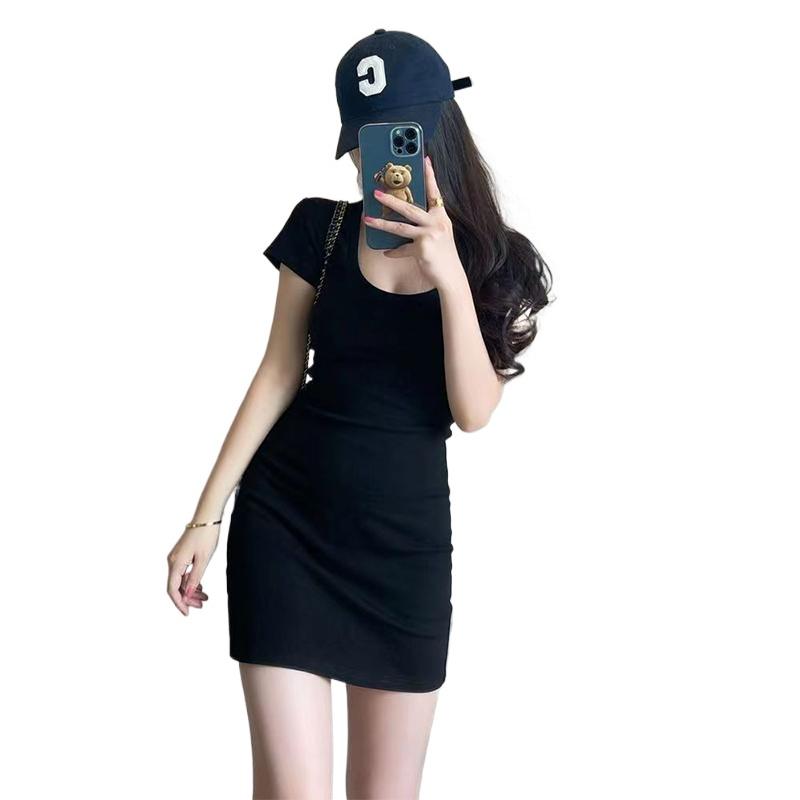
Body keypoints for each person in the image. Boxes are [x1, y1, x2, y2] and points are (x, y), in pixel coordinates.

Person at [166, 29, 552, 799]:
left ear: (439, 127)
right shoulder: (323, 229)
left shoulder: (495, 259)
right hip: (286, 527)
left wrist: (448, 274)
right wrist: (205, 518)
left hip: (402, 553)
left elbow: (474, 411)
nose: (379, 163)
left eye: (398, 137)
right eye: (366, 142)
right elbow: (278, 373)